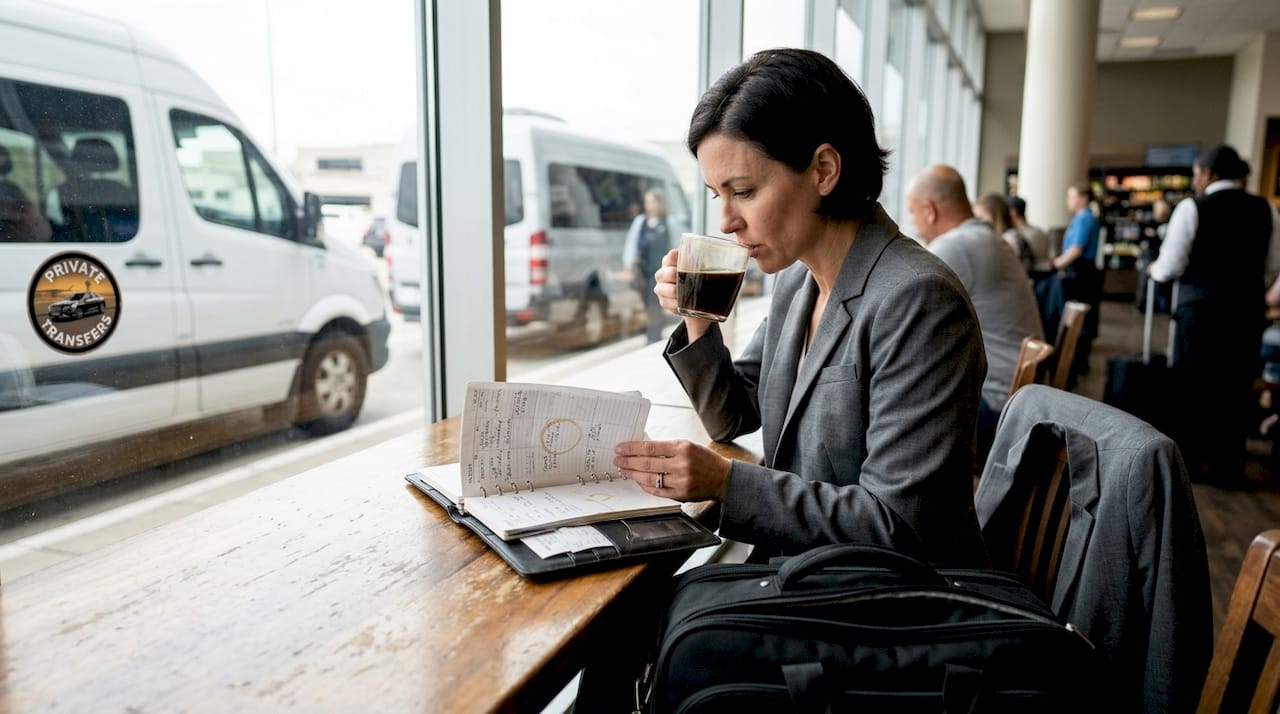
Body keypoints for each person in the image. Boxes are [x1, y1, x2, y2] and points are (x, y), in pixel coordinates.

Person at [617, 49, 989, 568]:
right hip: (802, 571)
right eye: (716, 195)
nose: (726, 221)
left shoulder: (919, 300)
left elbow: (901, 525)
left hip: (880, 605)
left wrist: (725, 483)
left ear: (824, 169)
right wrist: (697, 317)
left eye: (742, 191)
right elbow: (734, 415)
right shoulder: (799, 281)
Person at [1148, 143, 1280, 488]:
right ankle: (1227, 466)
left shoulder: (1193, 208)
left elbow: (1171, 265)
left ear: (1207, 173)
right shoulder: (1266, 209)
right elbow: (1273, 266)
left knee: (1193, 386)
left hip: (1199, 312)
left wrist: (1155, 271)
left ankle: (1189, 462)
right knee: (1235, 388)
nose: (1195, 181)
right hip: (1246, 313)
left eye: (1195, 174)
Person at [906, 167, 1044, 463]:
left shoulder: (953, 247)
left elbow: (903, 306)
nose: (914, 225)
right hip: (1021, 400)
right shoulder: (987, 238)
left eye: (913, 213)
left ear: (929, 211)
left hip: (997, 413)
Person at [1051, 182, 1102, 383]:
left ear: (1083, 198)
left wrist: (1057, 264)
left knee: (1078, 318)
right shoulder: (1084, 217)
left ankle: (1075, 363)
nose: (1068, 201)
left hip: (1081, 273)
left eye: (1071, 196)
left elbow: (1076, 249)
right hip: (1082, 271)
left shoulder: (1084, 218)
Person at [621, 187, 681, 343]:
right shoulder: (640, 222)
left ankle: (653, 336)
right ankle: (652, 331)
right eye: (647, 201)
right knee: (647, 303)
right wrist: (628, 266)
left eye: (652, 201)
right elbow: (631, 244)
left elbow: (677, 245)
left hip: (661, 270)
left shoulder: (669, 222)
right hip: (644, 271)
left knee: (656, 302)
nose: (649, 205)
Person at [973, 191, 1033, 273]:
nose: (978, 222)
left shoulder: (1009, 239)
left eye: (981, 217)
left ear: (994, 214)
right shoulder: (1010, 236)